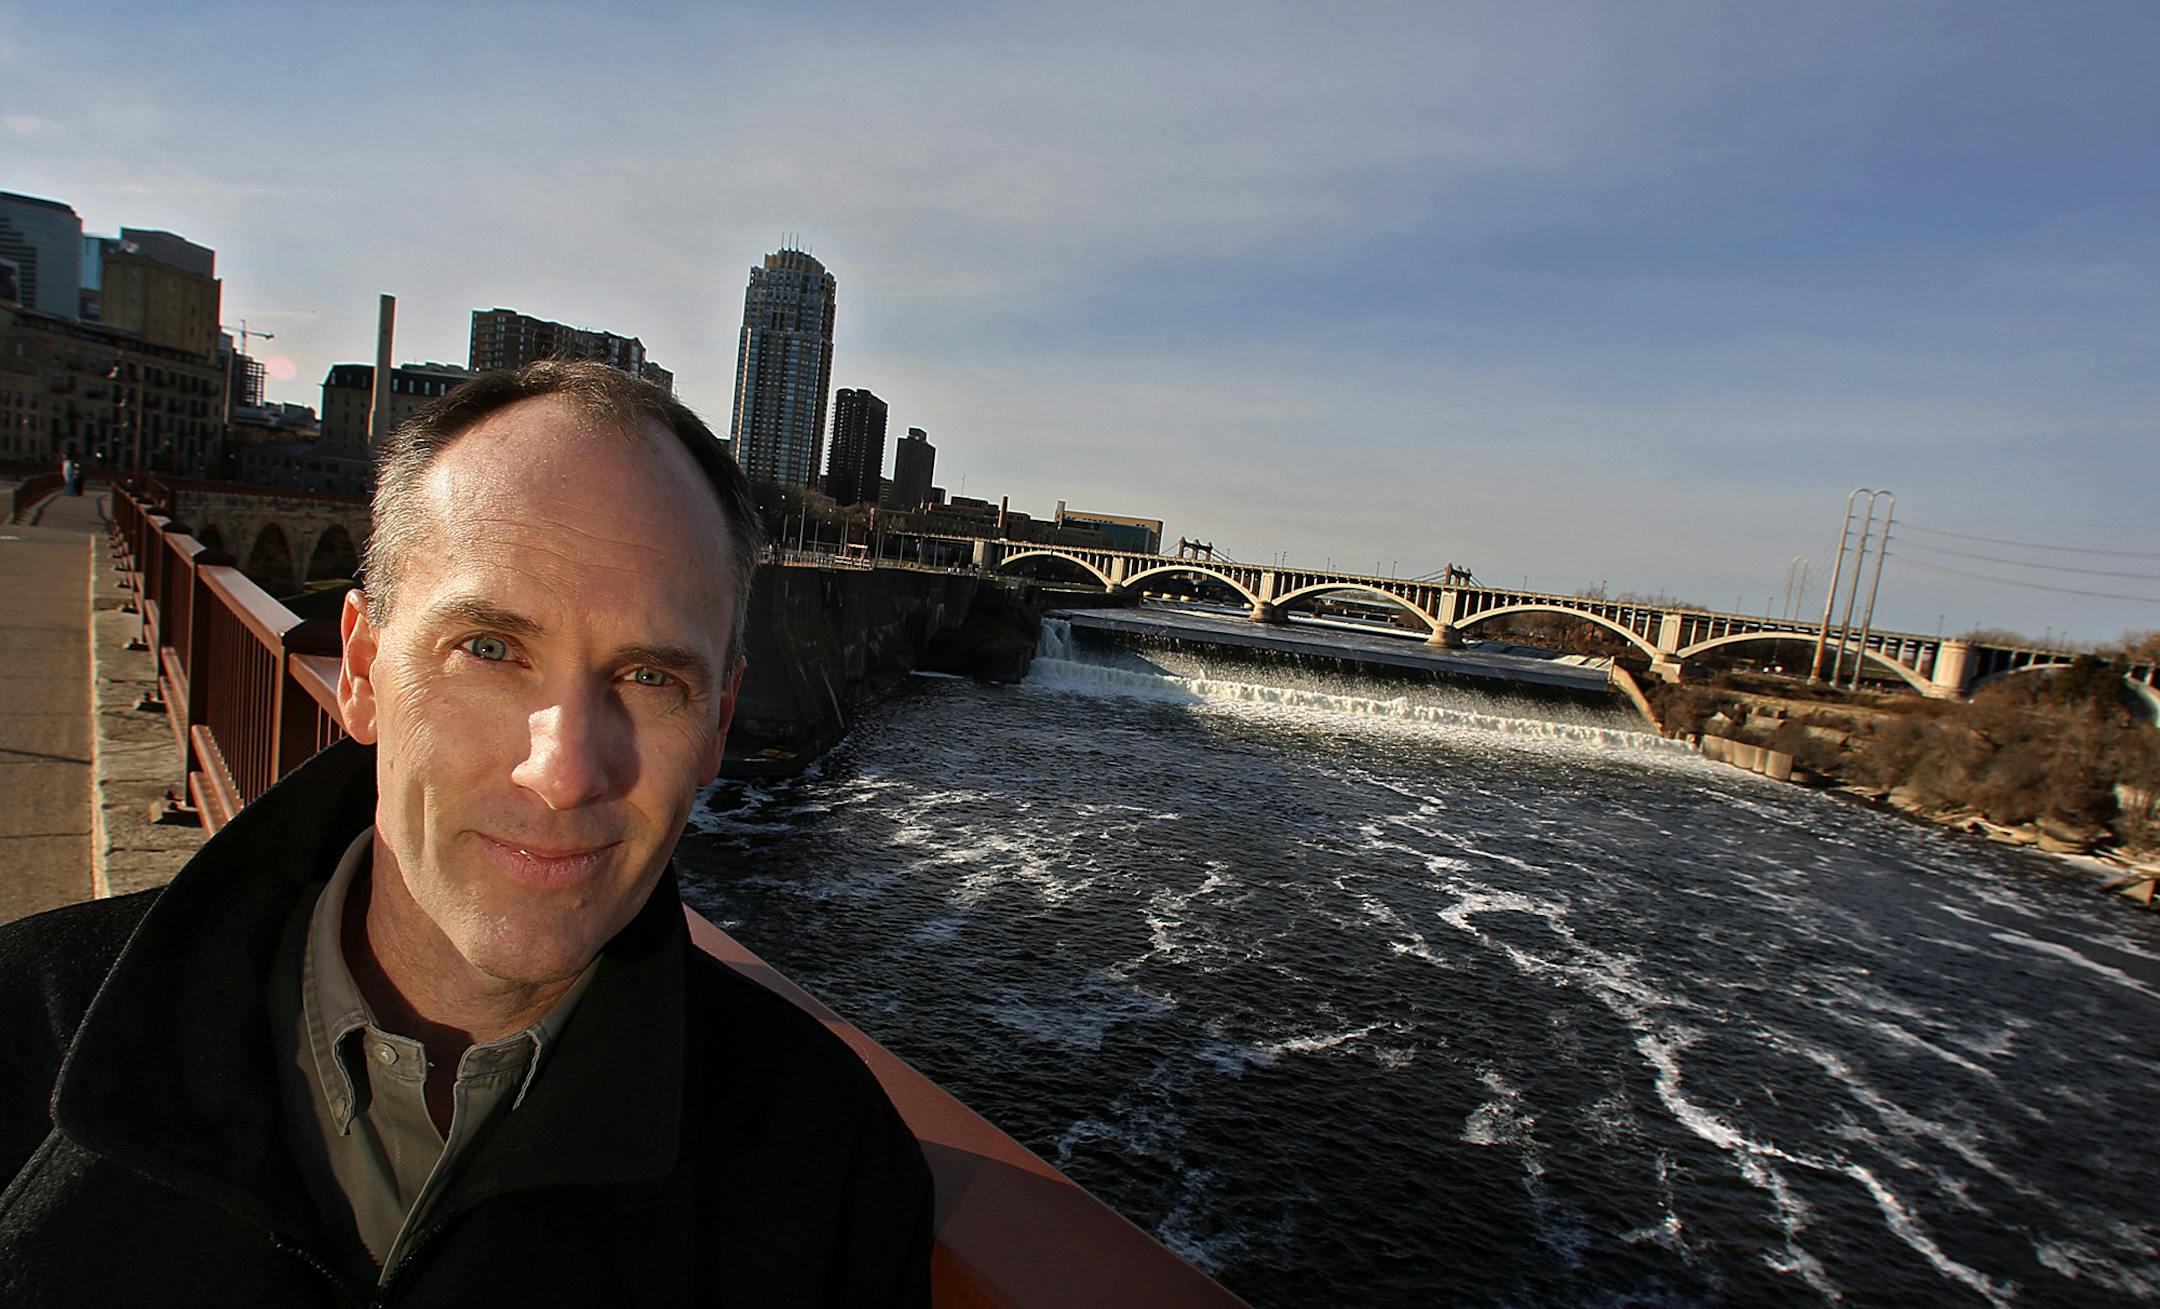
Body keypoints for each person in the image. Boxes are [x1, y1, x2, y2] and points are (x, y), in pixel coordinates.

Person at [0, 362, 935, 1305]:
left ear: (718, 726)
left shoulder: (832, 1172)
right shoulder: (25, 1025)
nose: (564, 771)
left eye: (651, 679)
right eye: (489, 650)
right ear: (361, 668)